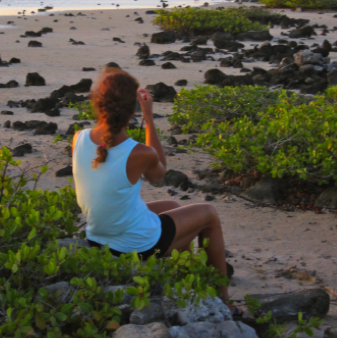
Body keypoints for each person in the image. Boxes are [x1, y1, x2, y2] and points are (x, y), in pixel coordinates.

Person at [72, 67, 233, 306]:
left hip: (98, 239)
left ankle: (187, 276)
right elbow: (159, 174)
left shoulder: (79, 137)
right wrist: (149, 118)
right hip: (132, 246)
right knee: (208, 215)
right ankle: (224, 301)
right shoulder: (138, 152)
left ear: (98, 103)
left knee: (172, 206)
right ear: (132, 111)